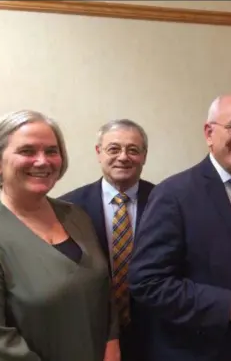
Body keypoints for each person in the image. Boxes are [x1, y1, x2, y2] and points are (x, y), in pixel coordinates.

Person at [128, 95, 231, 361]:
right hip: (200, 351)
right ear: (209, 133)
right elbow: (147, 282)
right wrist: (226, 305)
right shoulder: (174, 194)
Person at [0, 110, 118, 361]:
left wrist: (112, 346)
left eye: (51, 151)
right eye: (27, 151)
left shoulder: (76, 216)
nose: (42, 161)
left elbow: (103, 291)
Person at [59, 119, 154, 361]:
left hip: (155, 331)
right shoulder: (67, 208)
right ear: (98, 153)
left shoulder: (166, 200)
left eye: (133, 150)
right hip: (92, 331)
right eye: (114, 149)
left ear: (144, 156)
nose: (123, 157)